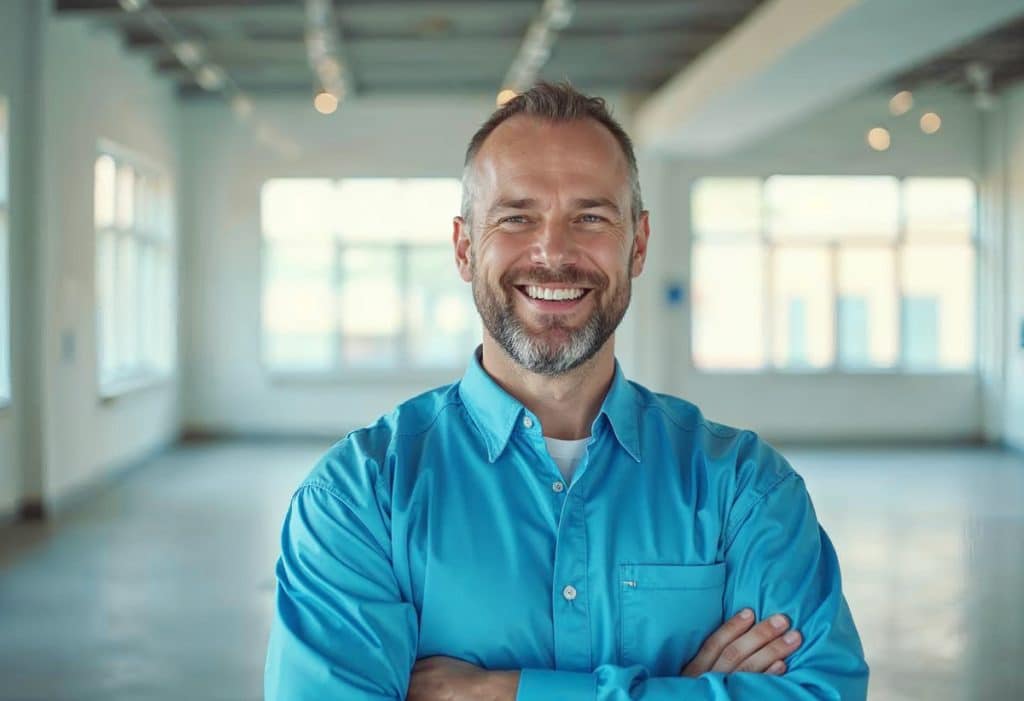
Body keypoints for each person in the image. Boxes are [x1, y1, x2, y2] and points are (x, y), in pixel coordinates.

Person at [264, 82, 869, 700]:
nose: (553, 252)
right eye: (517, 217)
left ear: (637, 244)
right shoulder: (361, 496)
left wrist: (504, 692)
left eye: (590, 217)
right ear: (465, 247)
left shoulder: (744, 489)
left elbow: (823, 691)